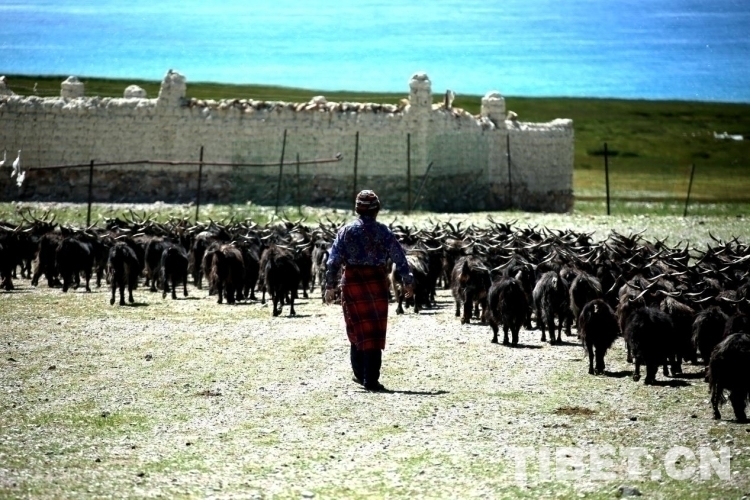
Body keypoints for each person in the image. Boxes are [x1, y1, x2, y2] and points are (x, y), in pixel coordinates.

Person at [325, 190, 414, 391]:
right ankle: (370, 379)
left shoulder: (346, 231)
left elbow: (333, 260)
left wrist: (330, 286)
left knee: (356, 326)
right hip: (376, 283)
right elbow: (399, 257)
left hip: (352, 283)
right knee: (373, 330)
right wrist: (408, 281)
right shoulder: (383, 231)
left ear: (357, 209)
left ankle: (359, 374)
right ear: (377, 209)